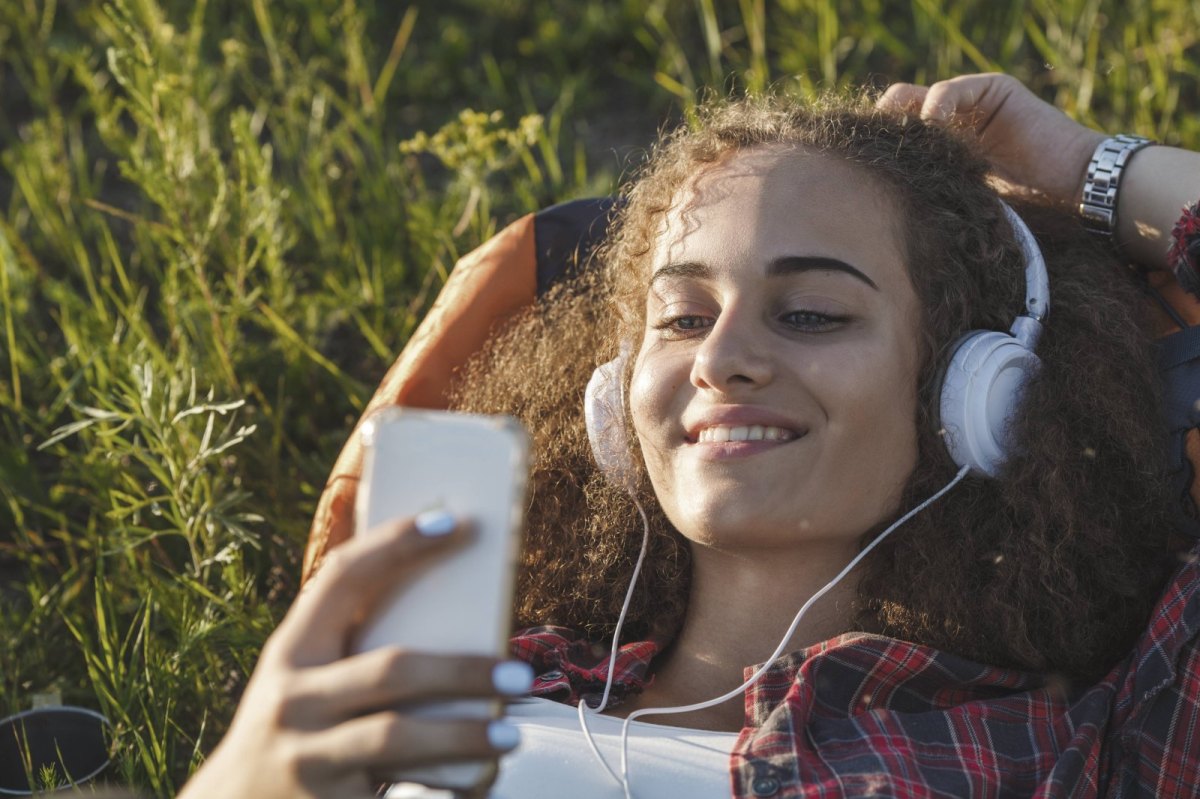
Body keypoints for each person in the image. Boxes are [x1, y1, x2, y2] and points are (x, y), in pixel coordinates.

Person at [175, 73, 1200, 799]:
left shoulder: (1072, 746)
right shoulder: (464, 681)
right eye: (681, 316)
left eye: (809, 314)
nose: (721, 362)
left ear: (976, 392)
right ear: (616, 396)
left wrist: (1083, 167)